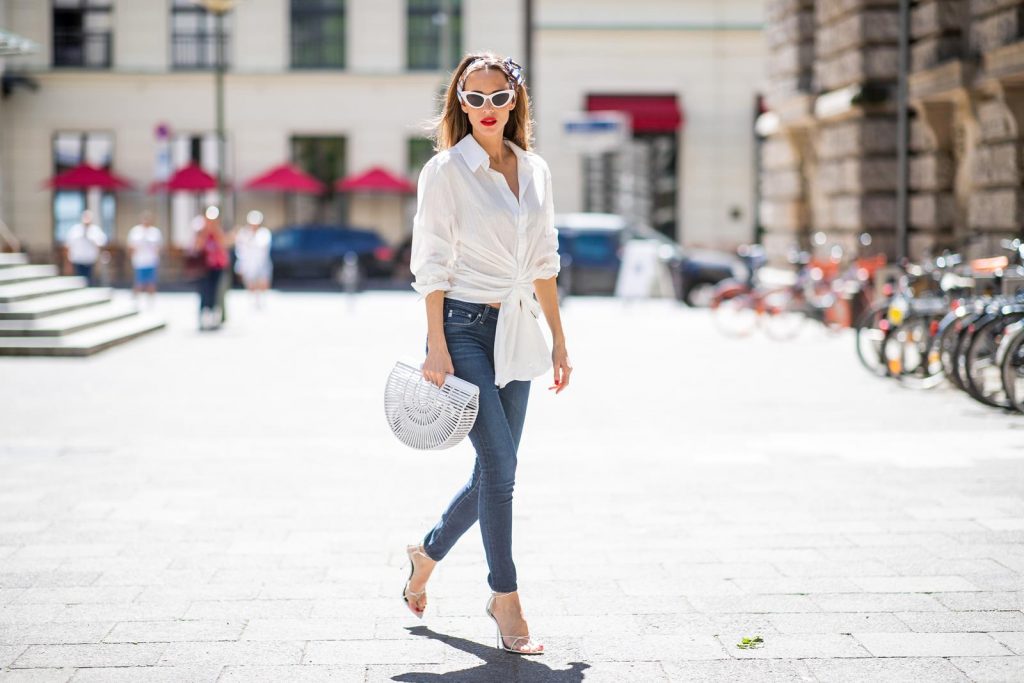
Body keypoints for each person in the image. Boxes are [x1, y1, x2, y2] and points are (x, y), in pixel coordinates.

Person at [403, 52, 573, 656]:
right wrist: (436, 346)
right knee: (502, 469)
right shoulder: (446, 171)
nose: (486, 110)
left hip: (519, 329)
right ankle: (506, 598)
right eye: (473, 99)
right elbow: (431, 264)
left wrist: (559, 340)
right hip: (464, 329)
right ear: (459, 103)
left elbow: (545, 261)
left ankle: (426, 554)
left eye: (497, 97)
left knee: (492, 473)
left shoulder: (535, 170)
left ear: (515, 100)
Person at [192, 206, 229, 331]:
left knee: (215, 291)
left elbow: (223, 245)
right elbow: (197, 247)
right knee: (204, 292)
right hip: (204, 267)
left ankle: (214, 316)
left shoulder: (219, 232)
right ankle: (204, 316)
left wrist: (215, 232)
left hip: (217, 266)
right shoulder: (201, 231)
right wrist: (205, 233)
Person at [232, 210, 273, 309]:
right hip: (248, 263)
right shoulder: (244, 233)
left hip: (262, 262)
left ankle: (261, 301)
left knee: (262, 283)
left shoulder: (264, 233)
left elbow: (263, 246)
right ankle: (252, 301)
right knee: (250, 283)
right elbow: (240, 249)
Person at [127, 211, 163, 308]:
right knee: (138, 283)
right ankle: (135, 302)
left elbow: (158, 247)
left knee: (151, 283)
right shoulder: (135, 231)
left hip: (151, 261)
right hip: (139, 261)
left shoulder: (155, 232)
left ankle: (151, 304)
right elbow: (130, 247)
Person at [63, 210, 107, 285]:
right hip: (77, 260)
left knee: (89, 281)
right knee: (78, 281)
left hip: (90, 260)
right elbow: (68, 245)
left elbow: (101, 244)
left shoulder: (95, 230)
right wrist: (68, 262)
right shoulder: (75, 230)